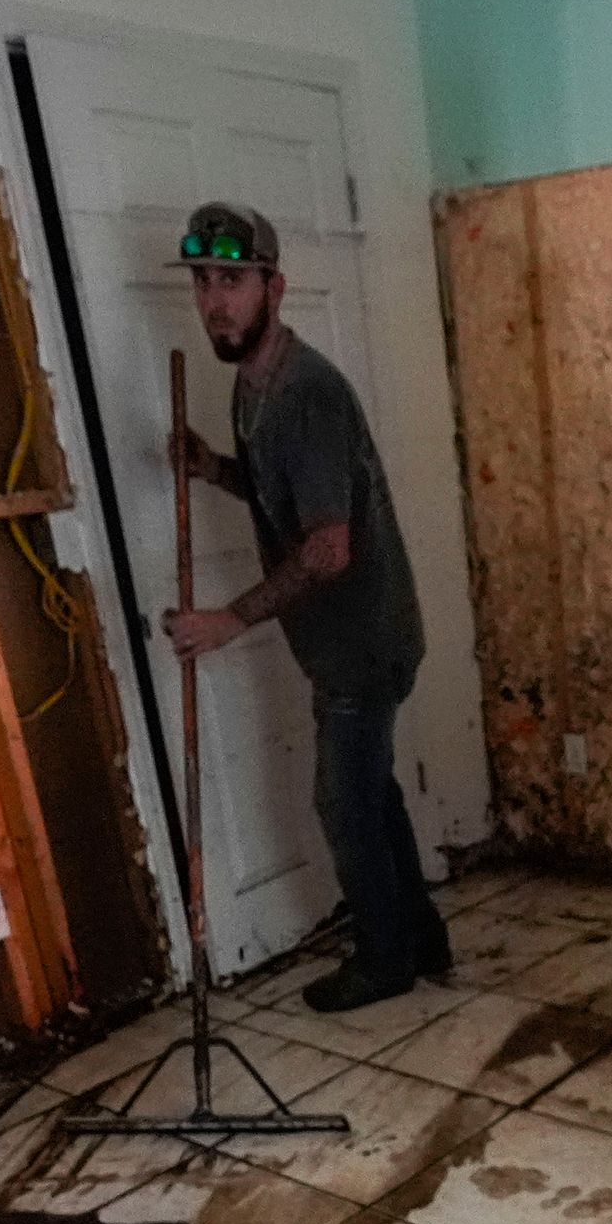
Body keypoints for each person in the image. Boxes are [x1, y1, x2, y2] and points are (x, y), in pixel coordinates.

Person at [162, 200, 448, 1012]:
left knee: (343, 802)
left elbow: (328, 548)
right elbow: (283, 496)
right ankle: (421, 937)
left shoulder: (304, 396)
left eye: (235, 281)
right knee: (371, 793)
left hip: (363, 640)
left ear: (274, 288)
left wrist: (230, 621)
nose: (216, 299)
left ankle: (386, 958)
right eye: (205, 282)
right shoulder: (253, 389)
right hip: (341, 640)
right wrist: (214, 466)